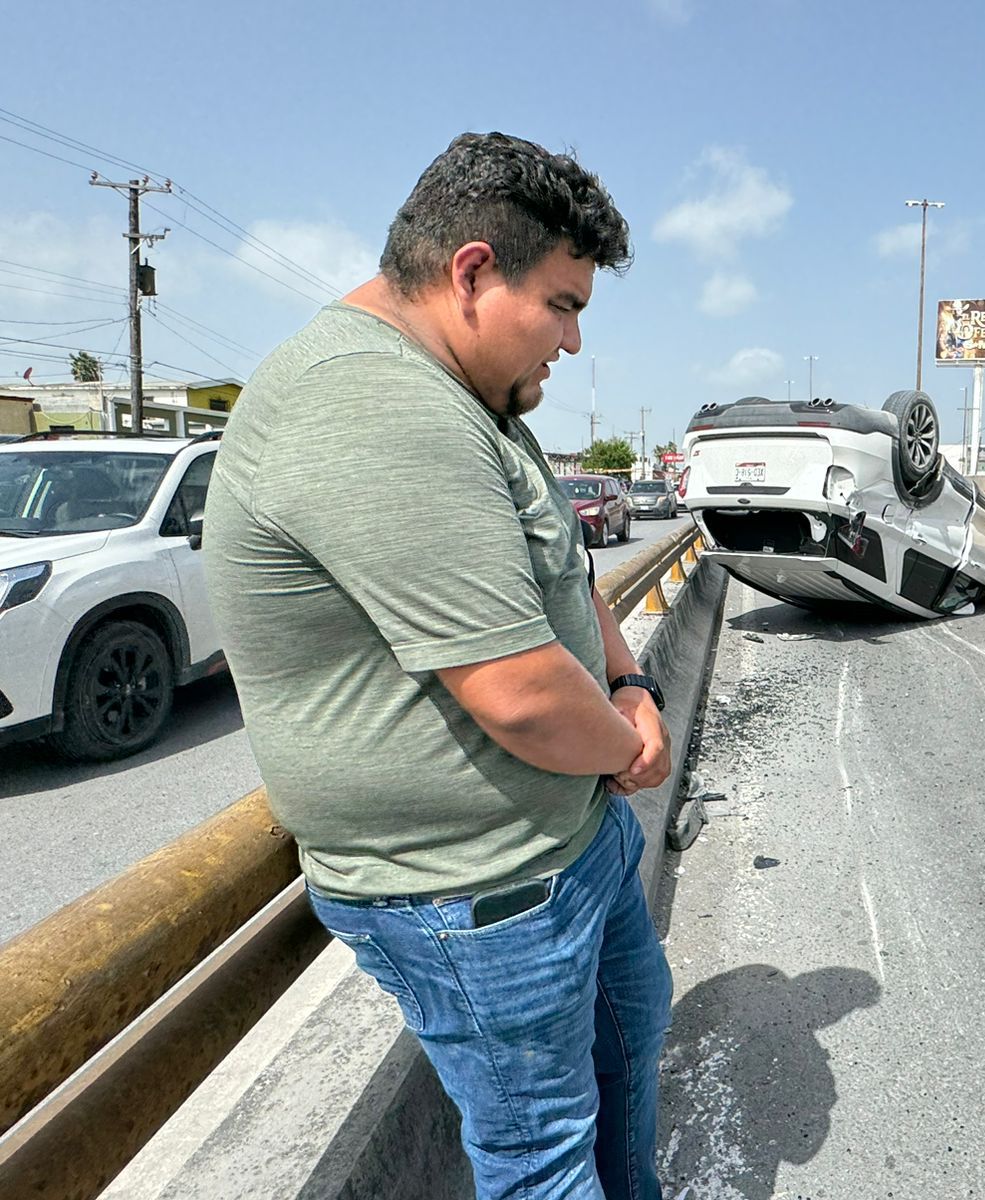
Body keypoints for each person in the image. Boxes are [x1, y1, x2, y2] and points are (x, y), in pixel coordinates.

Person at [205, 132, 674, 1200]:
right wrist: (629, 748)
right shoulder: (369, 404)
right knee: (542, 1156)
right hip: (477, 893)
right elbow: (518, 692)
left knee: (628, 1053)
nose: (569, 341)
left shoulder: (473, 399)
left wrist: (633, 684)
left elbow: (562, 566)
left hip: (566, 841)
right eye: (561, 305)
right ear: (470, 272)